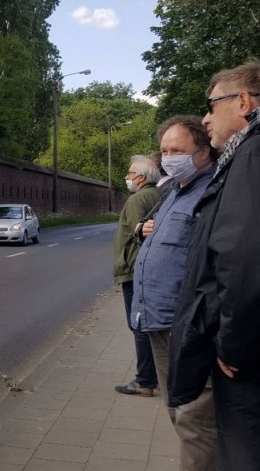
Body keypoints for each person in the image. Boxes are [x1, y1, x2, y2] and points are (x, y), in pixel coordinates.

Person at [169, 62, 260, 470]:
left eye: (211, 105)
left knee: (256, 456)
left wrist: (237, 344)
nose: (206, 118)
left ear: (243, 101)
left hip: (257, 361)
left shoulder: (259, 152)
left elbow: (251, 256)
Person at [132, 116, 217, 470]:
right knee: (177, 411)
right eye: (165, 150)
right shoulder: (175, 190)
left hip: (186, 324)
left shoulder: (212, 192)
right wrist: (141, 230)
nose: (168, 157)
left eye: (178, 150)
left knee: (196, 419)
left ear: (202, 151)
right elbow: (158, 234)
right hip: (158, 320)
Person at [113, 155, 163, 397]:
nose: (127, 177)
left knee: (139, 325)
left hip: (134, 269)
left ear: (141, 177)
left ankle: (144, 381)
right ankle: (157, 375)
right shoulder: (160, 195)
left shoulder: (136, 200)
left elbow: (139, 234)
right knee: (151, 325)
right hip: (152, 270)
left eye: (130, 173)